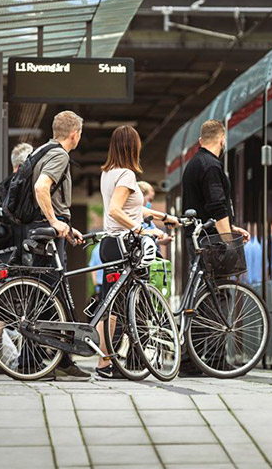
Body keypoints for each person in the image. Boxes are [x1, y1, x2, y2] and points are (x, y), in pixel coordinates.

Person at [96, 125, 177, 378]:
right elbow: (116, 211)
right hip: (124, 245)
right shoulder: (128, 175)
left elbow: (131, 208)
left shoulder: (108, 173)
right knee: (117, 308)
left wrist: (162, 216)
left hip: (110, 243)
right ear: (133, 147)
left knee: (110, 306)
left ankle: (105, 363)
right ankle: (105, 363)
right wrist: (143, 231)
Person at [31, 111, 87, 378]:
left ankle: (35, 360)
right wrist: (55, 222)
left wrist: (66, 228)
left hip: (47, 230)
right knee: (54, 295)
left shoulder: (43, 150)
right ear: (74, 134)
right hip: (49, 232)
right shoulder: (60, 155)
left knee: (44, 294)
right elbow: (42, 188)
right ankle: (57, 360)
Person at [181, 119, 250, 259]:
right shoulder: (211, 166)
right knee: (217, 281)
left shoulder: (194, 163)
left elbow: (202, 204)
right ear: (222, 140)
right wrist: (229, 243)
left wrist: (231, 228)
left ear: (201, 141)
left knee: (203, 280)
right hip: (210, 241)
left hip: (198, 238)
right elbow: (216, 207)